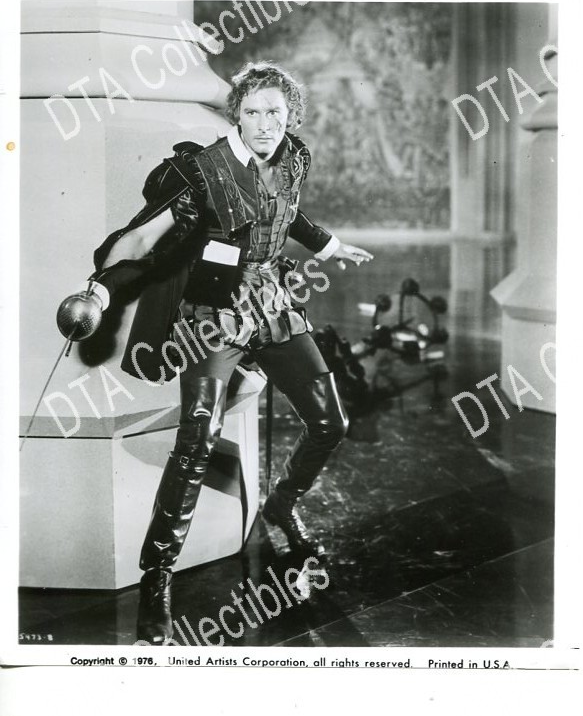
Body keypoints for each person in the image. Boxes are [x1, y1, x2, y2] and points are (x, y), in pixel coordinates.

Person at [57, 61, 373, 644]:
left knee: (331, 421)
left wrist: (329, 246)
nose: (265, 123)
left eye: (275, 112)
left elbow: (285, 210)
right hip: (213, 317)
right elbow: (142, 237)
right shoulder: (202, 171)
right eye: (253, 112)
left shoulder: (294, 157)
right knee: (197, 439)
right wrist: (99, 290)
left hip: (273, 302)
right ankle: (157, 573)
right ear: (237, 116)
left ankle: (280, 506)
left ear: (291, 116)